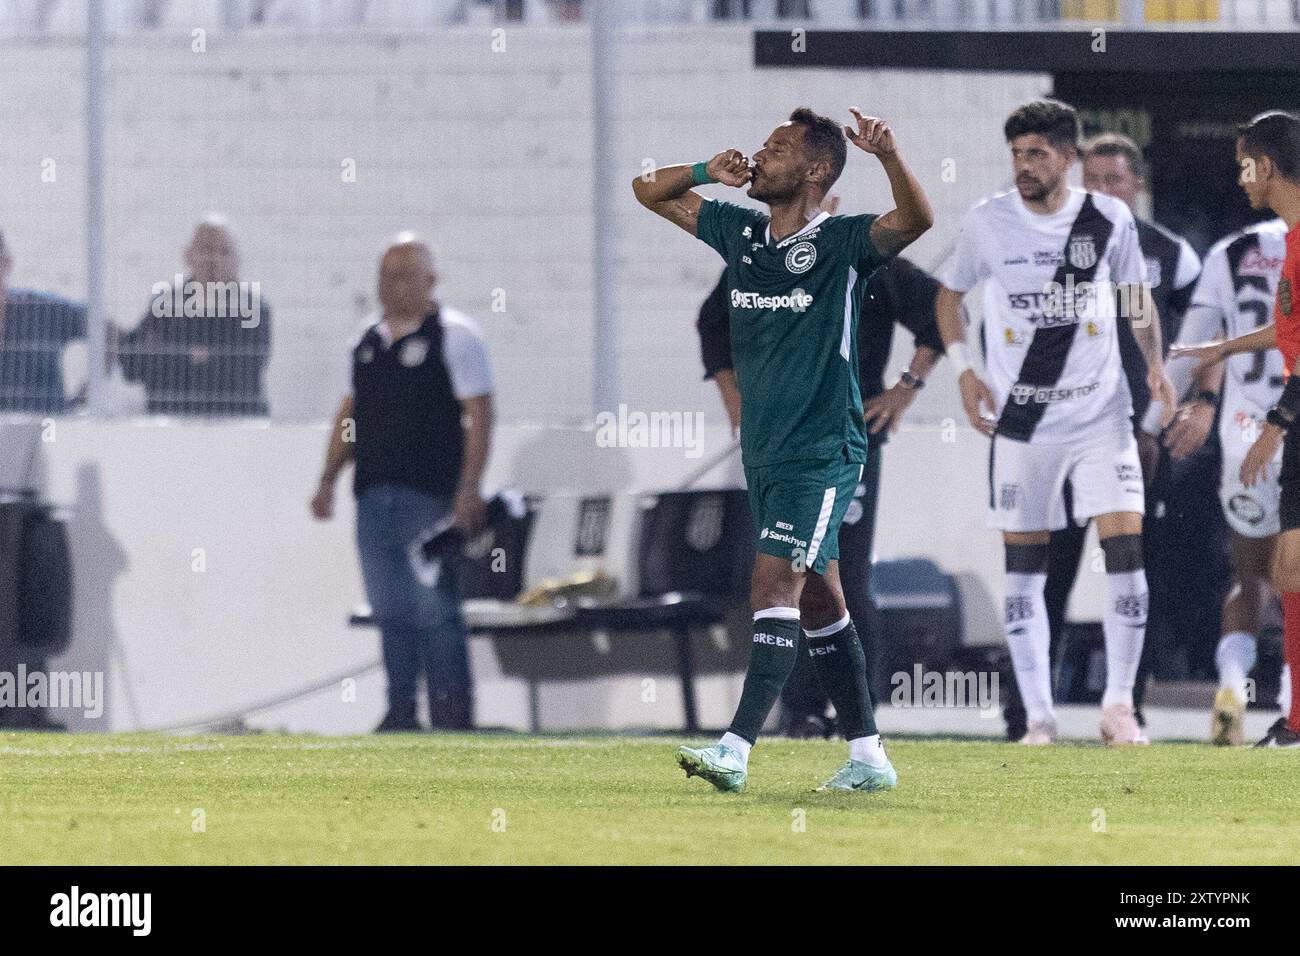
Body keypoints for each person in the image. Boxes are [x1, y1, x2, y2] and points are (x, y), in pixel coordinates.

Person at [634, 106, 932, 792]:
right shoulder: (738, 232)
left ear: (817, 170)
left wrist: (888, 156)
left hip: (824, 451)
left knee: (772, 585)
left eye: (777, 148)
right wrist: (711, 169)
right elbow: (647, 189)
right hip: (766, 454)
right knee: (823, 604)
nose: (760, 155)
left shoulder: (844, 242)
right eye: (762, 146)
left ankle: (735, 749)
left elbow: (916, 220)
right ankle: (869, 758)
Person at [936, 99, 1175, 746]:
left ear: (1066, 158)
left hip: (1101, 415)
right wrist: (963, 368)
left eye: (1036, 154)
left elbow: (1135, 300)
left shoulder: (1107, 218)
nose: (1023, 166)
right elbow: (948, 295)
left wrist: (1155, 367)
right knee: (1025, 572)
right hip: (1023, 423)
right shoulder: (987, 223)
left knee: (1126, 557)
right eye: (1016, 154)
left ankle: (1119, 707)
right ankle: (1039, 719)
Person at [696, 229, 945, 737]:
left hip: (843, 442)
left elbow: (941, 309)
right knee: (784, 575)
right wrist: (735, 402)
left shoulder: (865, 257)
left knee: (841, 576)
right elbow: (712, 325)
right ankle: (804, 714)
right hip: (778, 443)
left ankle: (851, 717)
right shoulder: (763, 257)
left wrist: (905, 389)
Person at [1030, 133, 1207, 735]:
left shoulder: (1170, 254)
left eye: (1116, 179)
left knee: (1133, 569)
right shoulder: (1053, 242)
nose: (1105, 190)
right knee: (1046, 571)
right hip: (1057, 431)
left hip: (1132, 434)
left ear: (1137, 185)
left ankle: (1126, 706)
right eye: (1095, 179)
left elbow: (1200, 339)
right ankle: (1030, 712)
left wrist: (1161, 422)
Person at [311, 233, 494, 733]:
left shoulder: (455, 337)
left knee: (435, 609)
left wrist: (468, 489)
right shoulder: (366, 344)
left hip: (430, 499)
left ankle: (452, 717)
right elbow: (349, 416)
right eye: (384, 276)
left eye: (403, 275)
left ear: (430, 281)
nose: (391, 286)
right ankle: (401, 713)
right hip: (373, 497)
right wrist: (328, 478)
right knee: (390, 609)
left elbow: (479, 414)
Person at [1171, 110, 1300, 748]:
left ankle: (1235, 690)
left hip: (1255, 431)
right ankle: (1293, 708)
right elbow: (1288, 334)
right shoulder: (1293, 240)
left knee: (1251, 576)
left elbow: (1203, 344)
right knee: (1295, 574)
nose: (1239, 175)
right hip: (1285, 426)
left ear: (1268, 165)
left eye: (1246, 163)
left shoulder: (1233, 251)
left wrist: (1212, 393)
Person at [118, 216, 271, 416]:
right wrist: (200, 356)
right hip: (171, 428)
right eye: (206, 249)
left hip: (236, 427)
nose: (214, 260)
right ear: (188, 255)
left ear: (236, 259)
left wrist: (172, 359)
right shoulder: (165, 305)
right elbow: (132, 365)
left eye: (223, 252)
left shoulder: (253, 309)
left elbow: (244, 367)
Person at [0, 229, 87, 414]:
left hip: (45, 437)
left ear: (6, 263)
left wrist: (85, 395)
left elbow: (106, 331)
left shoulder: (43, 311)